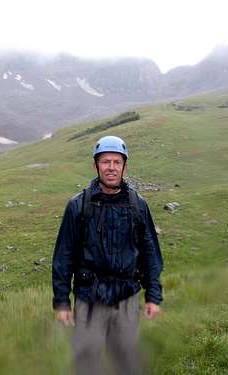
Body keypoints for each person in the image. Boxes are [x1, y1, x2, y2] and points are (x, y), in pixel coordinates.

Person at [52, 135, 163, 375]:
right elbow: (64, 256)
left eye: (116, 162)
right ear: (95, 165)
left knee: (127, 362)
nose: (111, 167)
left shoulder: (138, 205)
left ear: (125, 166)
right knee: (85, 363)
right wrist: (62, 301)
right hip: (88, 299)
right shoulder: (78, 206)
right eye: (105, 162)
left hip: (126, 298)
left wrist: (153, 294)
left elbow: (150, 252)